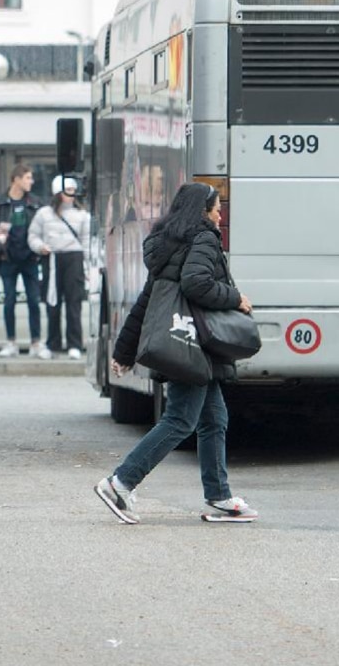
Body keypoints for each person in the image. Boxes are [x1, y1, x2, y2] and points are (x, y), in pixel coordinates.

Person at [95, 182, 257, 525]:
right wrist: (234, 299)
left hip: (183, 341)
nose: (220, 213)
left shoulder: (170, 243)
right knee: (181, 419)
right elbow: (197, 283)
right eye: (216, 207)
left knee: (214, 419)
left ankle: (219, 495)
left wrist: (124, 351)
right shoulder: (203, 238)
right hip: (192, 346)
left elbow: (147, 302)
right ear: (202, 211)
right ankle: (120, 482)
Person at [29, 177, 93, 359]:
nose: (72, 195)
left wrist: (87, 267)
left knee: (74, 303)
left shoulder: (82, 215)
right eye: (68, 190)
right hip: (52, 259)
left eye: (74, 190)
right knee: (52, 303)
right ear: (58, 192)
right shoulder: (43, 214)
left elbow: (87, 242)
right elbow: (33, 236)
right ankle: (53, 342)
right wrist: (41, 247)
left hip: (74, 258)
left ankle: (74, 343)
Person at [0, 165, 46, 359]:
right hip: (7, 259)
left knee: (34, 300)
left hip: (30, 259)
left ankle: (36, 343)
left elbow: (42, 228)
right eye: (27, 178)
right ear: (16, 179)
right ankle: (11, 342)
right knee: (9, 300)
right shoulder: (0, 203)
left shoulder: (36, 203)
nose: (31, 182)